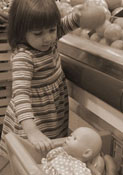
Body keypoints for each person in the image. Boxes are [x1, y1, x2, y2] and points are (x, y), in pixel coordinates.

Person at [0, 0, 106, 160]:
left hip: (53, 112)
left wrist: (84, 14)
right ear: (21, 31)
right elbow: (21, 96)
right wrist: (32, 131)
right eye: (38, 33)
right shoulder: (24, 57)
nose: (48, 38)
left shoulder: (50, 37)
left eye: (51, 29)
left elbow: (71, 22)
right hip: (33, 117)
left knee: (51, 148)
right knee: (30, 154)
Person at [41, 127, 117, 175]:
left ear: (86, 153)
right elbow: (49, 156)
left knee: (107, 159)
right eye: (70, 135)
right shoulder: (62, 152)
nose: (68, 138)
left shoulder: (79, 167)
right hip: (43, 170)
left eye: (74, 138)